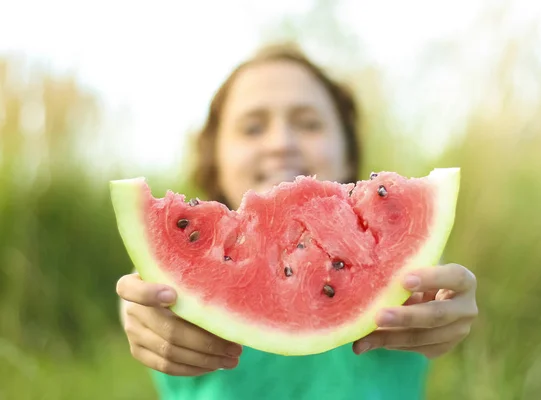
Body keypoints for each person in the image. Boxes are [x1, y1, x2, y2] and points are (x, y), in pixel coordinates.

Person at [115, 42, 478, 400]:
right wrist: (142, 320)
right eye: (253, 128)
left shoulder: (405, 279)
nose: (281, 143)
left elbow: (431, 295)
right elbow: (141, 301)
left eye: (308, 123)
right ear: (216, 157)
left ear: (348, 150)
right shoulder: (172, 279)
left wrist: (442, 311)